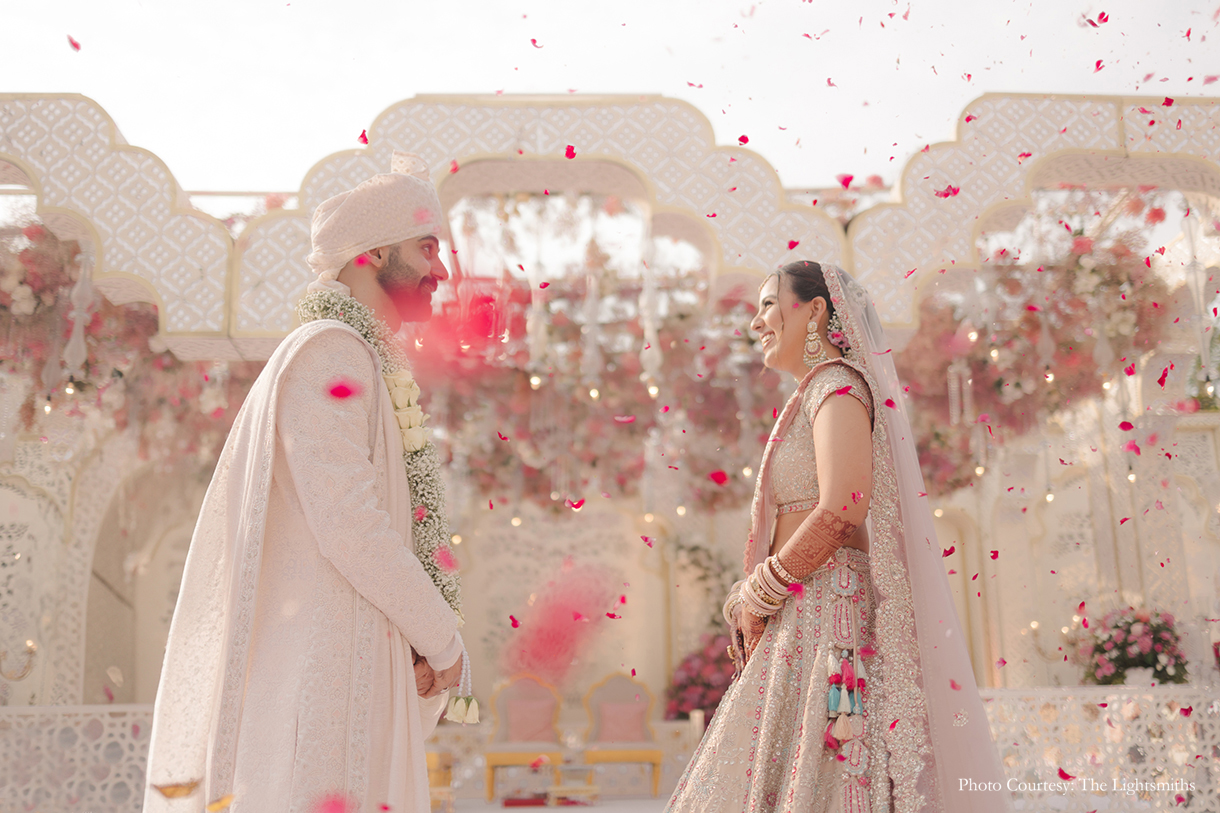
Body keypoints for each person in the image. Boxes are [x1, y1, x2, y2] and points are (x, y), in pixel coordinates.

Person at [143, 152, 471, 813]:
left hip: (348, 672)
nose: (442, 271)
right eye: (428, 248)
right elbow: (350, 521)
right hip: (324, 687)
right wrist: (443, 638)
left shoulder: (361, 360)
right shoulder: (329, 350)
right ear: (372, 253)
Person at [667, 262, 1012, 813]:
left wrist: (762, 589)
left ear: (817, 310)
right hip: (804, 607)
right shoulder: (816, 393)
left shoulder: (838, 387)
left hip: (827, 610)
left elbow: (844, 506)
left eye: (767, 304)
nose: (757, 322)